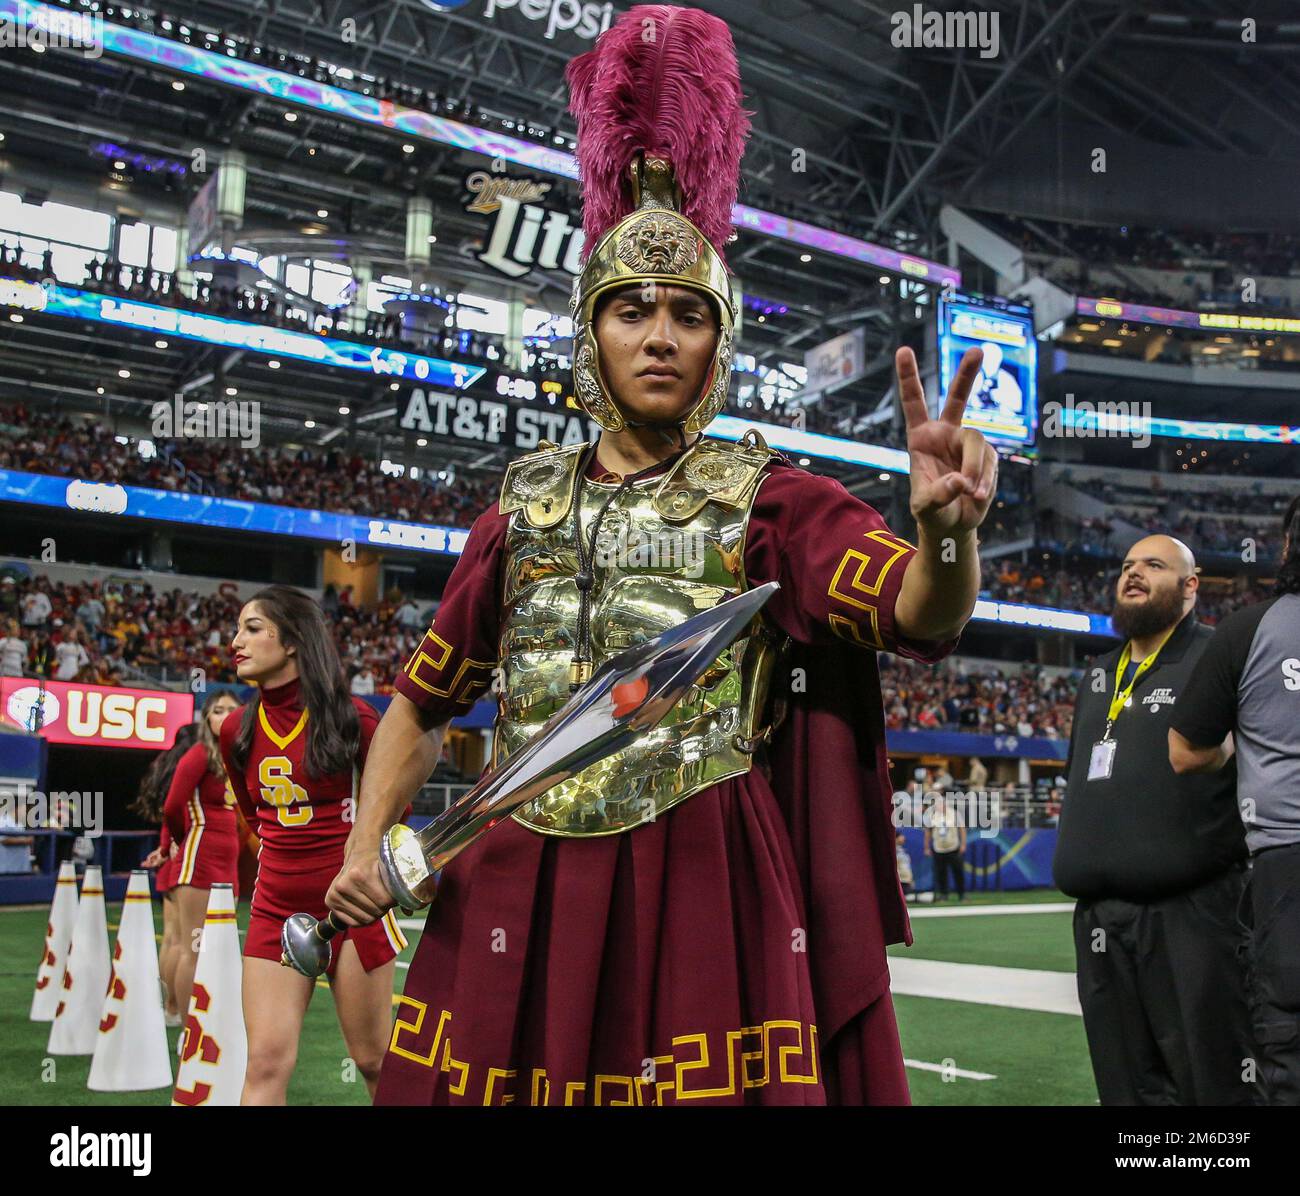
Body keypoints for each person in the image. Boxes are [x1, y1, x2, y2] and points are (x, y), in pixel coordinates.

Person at [327, 4, 997, 1107]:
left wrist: (942, 530)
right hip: (512, 861)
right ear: (591, 336)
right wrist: (367, 840)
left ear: (716, 342)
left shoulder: (773, 500)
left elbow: (921, 614)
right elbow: (419, 702)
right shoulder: (520, 510)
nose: (659, 333)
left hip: (700, 868)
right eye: (630, 310)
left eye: (687, 313)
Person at [1053, 535, 1255, 1106]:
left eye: (1153, 565)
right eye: (1126, 566)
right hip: (1097, 921)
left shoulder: (1218, 657)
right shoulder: (1097, 675)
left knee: (1212, 1082)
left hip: (1192, 915)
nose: (1133, 573)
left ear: (1190, 586)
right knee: (1125, 1087)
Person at [219, 585, 407, 1105]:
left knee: (372, 1059)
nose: (236, 641)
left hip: (353, 907)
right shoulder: (235, 728)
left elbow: (393, 811)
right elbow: (253, 816)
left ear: (295, 640)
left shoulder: (355, 719)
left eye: (252, 628)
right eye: (237, 629)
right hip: (274, 906)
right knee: (264, 1063)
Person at [1169, 495, 1300, 1104]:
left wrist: (1243, 745)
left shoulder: (1251, 628)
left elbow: (1185, 750)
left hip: (1286, 863)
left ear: (1286, 548)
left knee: (1288, 1040)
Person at [159, 689, 242, 1023]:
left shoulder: (235, 758)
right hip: (199, 855)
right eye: (217, 710)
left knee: (216, 946)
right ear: (206, 718)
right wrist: (178, 842)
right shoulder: (198, 755)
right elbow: (172, 805)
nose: (224, 716)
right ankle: (181, 1020)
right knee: (192, 946)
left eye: (231, 710)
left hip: (229, 859)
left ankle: (204, 1019)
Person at [138, 724, 200, 1026]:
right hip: (185, 856)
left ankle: (170, 1007)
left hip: (170, 855)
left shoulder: (165, 767)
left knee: (172, 939)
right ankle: (178, 1008)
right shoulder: (195, 767)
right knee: (185, 944)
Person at [925, 793, 966, 901]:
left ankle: (961, 894)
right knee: (941, 873)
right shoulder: (932, 816)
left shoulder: (954, 814)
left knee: (958, 872)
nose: (940, 806)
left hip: (953, 847)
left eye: (941, 804)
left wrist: (963, 844)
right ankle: (943, 894)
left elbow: (962, 829)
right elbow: (928, 832)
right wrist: (926, 847)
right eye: (938, 804)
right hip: (939, 848)